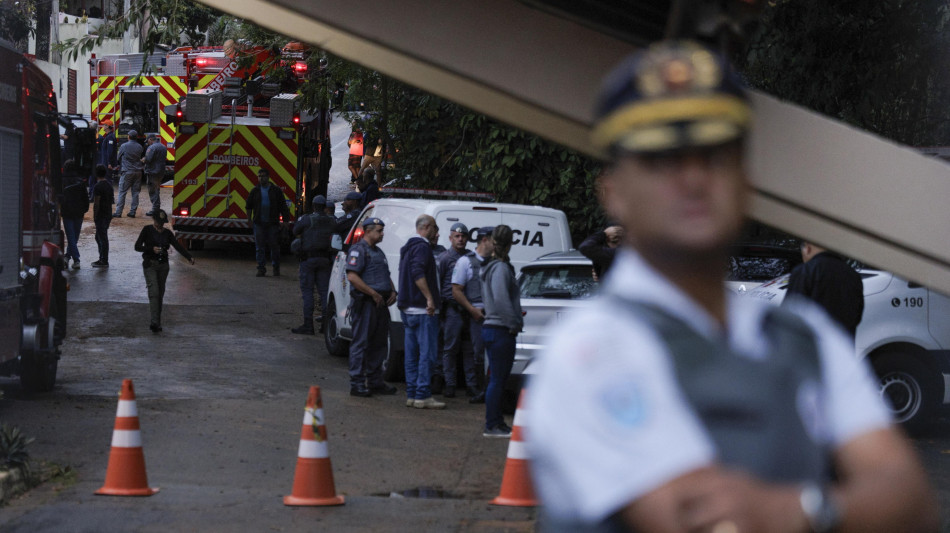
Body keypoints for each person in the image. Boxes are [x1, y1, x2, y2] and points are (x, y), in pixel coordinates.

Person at [525, 40, 937, 532]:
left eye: (716, 154)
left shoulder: (799, 335)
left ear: (747, 181)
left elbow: (911, 501)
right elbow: (703, 519)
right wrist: (829, 506)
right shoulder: (588, 351)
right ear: (613, 191)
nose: (694, 178)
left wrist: (799, 510)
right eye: (662, 158)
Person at [346, 217, 398, 397]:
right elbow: (352, 276)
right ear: (368, 231)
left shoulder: (378, 252)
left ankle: (375, 381)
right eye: (379, 231)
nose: (382, 234)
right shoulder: (358, 250)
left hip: (380, 304)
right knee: (361, 343)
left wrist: (392, 291)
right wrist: (373, 293)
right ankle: (357, 383)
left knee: (379, 344)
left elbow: (386, 274)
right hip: (366, 303)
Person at [397, 214, 445, 409]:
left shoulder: (406, 248)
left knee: (412, 354)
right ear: (426, 227)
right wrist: (429, 298)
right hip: (422, 310)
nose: (437, 232)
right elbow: (417, 272)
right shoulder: (423, 248)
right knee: (427, 354)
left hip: (407, 308)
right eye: (435, 227)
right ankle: (423, 394)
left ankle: (412, 393)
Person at [479, 225, 521, 437]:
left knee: (497, 378)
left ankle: (495, 422)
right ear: (510, 243)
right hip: (500, 329)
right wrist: (513, 323)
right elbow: (502, 300)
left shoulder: (492, 267)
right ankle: (492, 424)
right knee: (498, 379)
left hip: (493, 327)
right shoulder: (501, 269)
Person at [783, 241, 865, 339]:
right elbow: (857, 317)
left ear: (807, 249)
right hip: (842, 346)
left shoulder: (804, 271)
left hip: (809, 347)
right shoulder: (853, 276)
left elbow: (789, 316)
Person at [134, 210, 196, 332]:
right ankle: (154, 322)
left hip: (163, 266)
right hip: (150, 265)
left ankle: (157, 322)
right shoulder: (147, 230)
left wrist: (188, 256)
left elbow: (177, 246)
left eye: (162, 223)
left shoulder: (167, 233)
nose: (160, 225)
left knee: (160, 294)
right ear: (154, 220)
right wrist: (151, 249)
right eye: (158, 222)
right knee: (154, 293)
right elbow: (137, 247)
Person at [437, 223, 479, 398]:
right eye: (457, 236)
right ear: (450, 238)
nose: (460, 239)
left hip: (469, 310)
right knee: (450, 348)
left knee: (470, 349)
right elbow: (437, 284)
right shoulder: (444, 258)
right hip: (452, 310)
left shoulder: (472, 258)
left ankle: (471, 385)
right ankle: (450, 384)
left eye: (463, 236)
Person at [453, 226, 494, 404]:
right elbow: (456, 289)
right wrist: (472, 310)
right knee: (477, 353)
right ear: (484, 240)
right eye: (494, 241)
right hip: (476, 313)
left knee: (492, 352)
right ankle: (478, 389)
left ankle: (488, 389)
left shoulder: (496, 261)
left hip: (493, 313)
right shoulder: (465, 262)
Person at [291, 195, 337, 335]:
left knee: (308, 293)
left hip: (308, 260)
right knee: (324, 293)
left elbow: (295, 231)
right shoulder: (332, 220)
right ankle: (325, 325)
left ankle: (308, 325)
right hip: (325, 260)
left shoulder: (306, 219)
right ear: (325, 207)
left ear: (313, 206)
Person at [246, 168, 291, 277]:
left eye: (263, 176)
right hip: (259, 223)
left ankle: (276, 267)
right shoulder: (255, 191)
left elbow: (283, 207)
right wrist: (249, 219)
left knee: (274, 246)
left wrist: (285, 221)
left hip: (272, 224)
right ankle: (261, 269)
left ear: (268, 177)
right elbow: (249, 206)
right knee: (259, 247)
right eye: (259, 176)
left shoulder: (276, 191)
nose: (261, 178)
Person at [61, 160, 89, 270]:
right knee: (74, 237)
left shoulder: (62, 181)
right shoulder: (80, 181)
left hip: (67, 212)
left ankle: (69, 257)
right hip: (79, 212)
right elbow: (85, 198)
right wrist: (84, 209)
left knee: (71, 237)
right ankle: (74, 259)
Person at [114, 129, 144, 218]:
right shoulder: (139, 146)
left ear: (129, 137)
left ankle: (118, 212)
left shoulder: (124, 146)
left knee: (122, 192)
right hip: (138, 172)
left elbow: (118, 157)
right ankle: (132, 212)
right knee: (135, 193)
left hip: (127, 171)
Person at [91, 164, 114, 268]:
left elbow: (96, 203)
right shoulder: (109, 185)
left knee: (101, 237)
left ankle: (104, 260)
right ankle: (102, 258)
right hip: (108, 213)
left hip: (101, 215)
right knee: (100, 236)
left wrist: (95, 215)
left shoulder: (97, 186)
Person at [143, 134, 167, 216]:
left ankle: (155, 209)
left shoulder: (152, 148)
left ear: (150, 139)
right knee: (157, 188)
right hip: (161, 171)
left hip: (152, 172)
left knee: (153, 190)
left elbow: (148, 159)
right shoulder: (163, 147)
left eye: (148, 141)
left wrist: (143, 160)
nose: (148, 143)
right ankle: (156, 208)